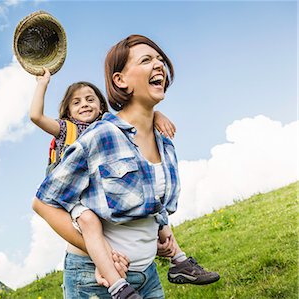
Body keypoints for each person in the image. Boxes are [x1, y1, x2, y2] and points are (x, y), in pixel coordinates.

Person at [32, 35, 219, 298]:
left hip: (148, 274)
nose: (159, 65)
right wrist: (104, 256)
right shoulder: (99, 135)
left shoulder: (163, 139)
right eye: (146, 60)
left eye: (160, 60)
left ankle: (180, 263)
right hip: (95, 280)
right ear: (120, 80)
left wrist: (161, 240)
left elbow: (149, 205)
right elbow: (43, 203)